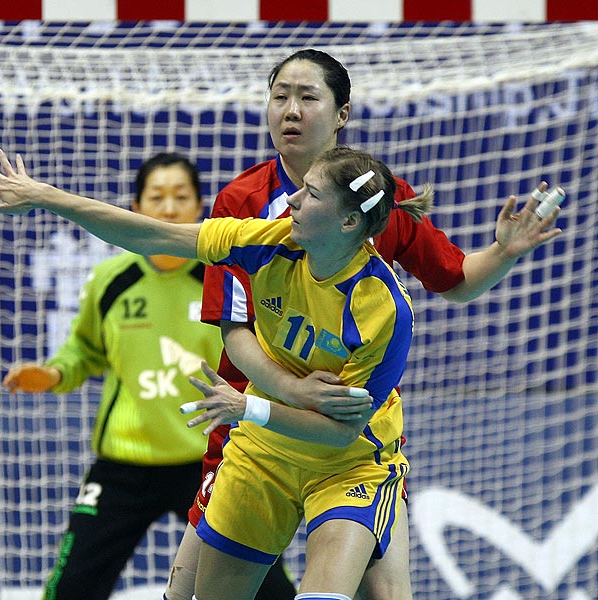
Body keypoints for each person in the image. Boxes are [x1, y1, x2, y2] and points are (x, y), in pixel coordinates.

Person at [0, 144, 477, 598]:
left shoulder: (383, 310)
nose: (292, 200)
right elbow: (152, 235)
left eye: (312, 194)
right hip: (259, 455)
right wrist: (47, 197)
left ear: (347, 223)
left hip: (346, 464)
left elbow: (341, 429)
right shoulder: (266, 241)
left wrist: (249, 406)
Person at [166, 48, 564, 600]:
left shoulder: (380, 199)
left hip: (350, 434)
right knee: (185, 591)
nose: (290, 111)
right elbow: (235, 330)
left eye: (308, 97)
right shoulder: (243, 200)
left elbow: (457, 280)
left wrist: (504, 252)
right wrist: (289, 391)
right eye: (279, 96)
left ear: (342, 114)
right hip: (252, 425)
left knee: (386, 593)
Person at [0, 152, 224, 600]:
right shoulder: (110, 279)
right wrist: (53, 374)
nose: (168, 208)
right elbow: (84, 351)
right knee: (71, 590)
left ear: (201, 207)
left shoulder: (222, 280)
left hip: (208, 462)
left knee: (264, 585)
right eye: (156, 197)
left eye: (181, 196)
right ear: (135, 209)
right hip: (124, 463)